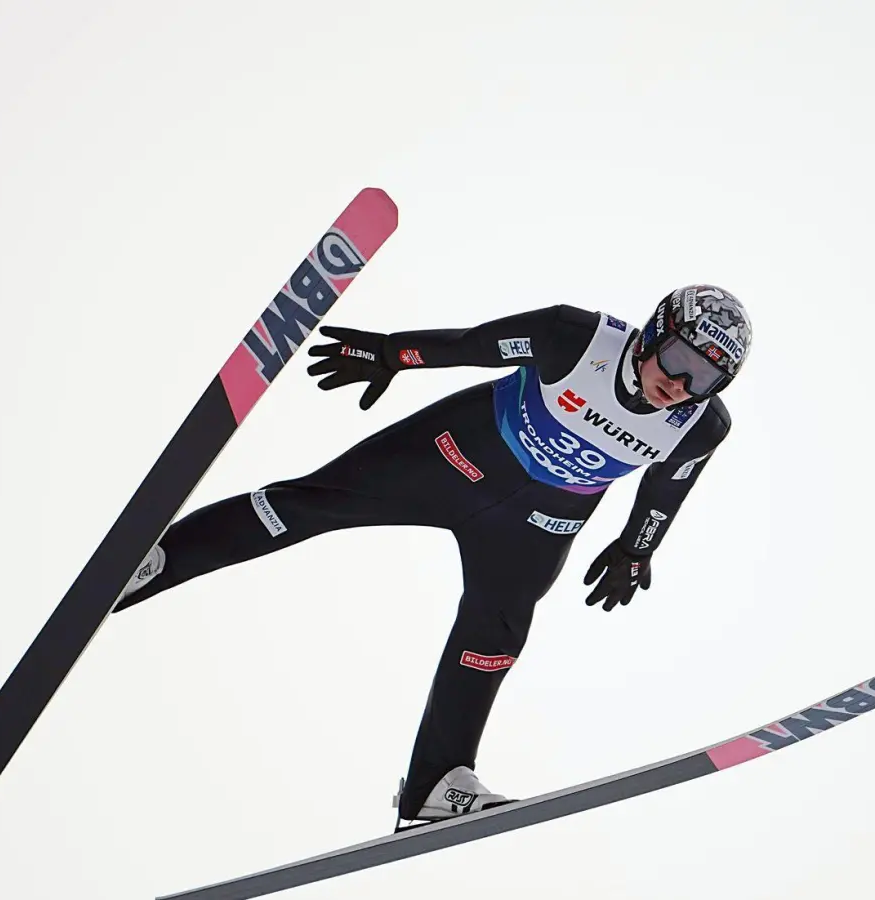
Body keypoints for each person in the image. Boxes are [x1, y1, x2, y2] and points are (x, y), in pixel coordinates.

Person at [110, 284, 753, 829]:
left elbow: (667, 489)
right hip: (450, 456)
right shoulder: (574, 339)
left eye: (705, 378)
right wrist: (393, 354)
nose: (680, 384)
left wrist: (636, 551)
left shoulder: (700, 425)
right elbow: (472, 345)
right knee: (309, 505)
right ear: (652, 333)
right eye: (678, 360)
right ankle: (159, 561)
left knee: (496, 636)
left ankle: (437, 786)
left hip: (536, 525)